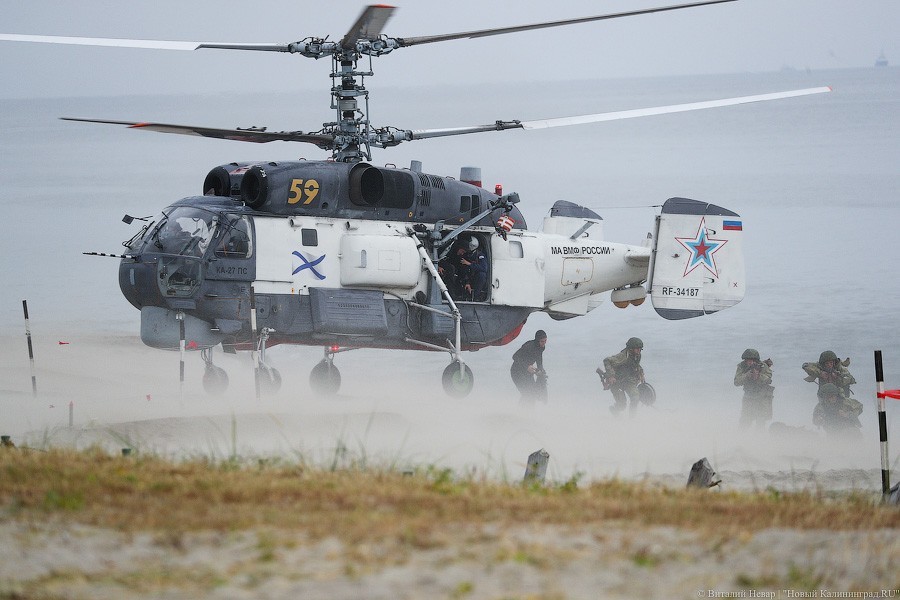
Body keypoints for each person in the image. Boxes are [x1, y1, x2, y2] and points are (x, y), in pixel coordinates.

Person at [600, 337, 645, 417]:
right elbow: (607, 360)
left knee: (635, 397)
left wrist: (641, 373)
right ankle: (614, 410)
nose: (639, 351)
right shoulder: (623, 356)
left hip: (628, 381)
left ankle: (632, 418)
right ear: (631, 349)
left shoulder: (637, 355)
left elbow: (636, 365)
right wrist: (610, 376)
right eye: (637, 349)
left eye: (640, 349)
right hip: (616, 383)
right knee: (622, 405)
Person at [733, 349, 775, 429]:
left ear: (755, 360)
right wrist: (747, 375)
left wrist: (758, 375)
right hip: (749, 396)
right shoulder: (741, 366)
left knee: (761, 421)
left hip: (762, 396)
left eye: (751, 360)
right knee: (745, 420)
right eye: (747, 360)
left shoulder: (763, 366)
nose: (749, 362)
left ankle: (758, 439)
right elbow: (736, 382)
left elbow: (768, 379)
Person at [511, 330, 548, 404]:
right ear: (537, 341)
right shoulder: (529, 346)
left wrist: (541, 370)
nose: (544, 343)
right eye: (542, 341)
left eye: (545, 341)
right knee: (527, 394)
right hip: (516, 372)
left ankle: (529, 414)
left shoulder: (541, 347)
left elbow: (539, 359)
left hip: (527, 373)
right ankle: (521, 411)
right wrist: (526, 366)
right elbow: (515, 356)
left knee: (532, 393)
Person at [457, 237, 488, 302]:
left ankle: (475, 296)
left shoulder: (480, 255)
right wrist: (467, 282)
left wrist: (469, 264)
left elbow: (483, 268)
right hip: (467, 278)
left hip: (475, 278)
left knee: (482, 275)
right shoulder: (466, 255)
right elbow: (463, 269)